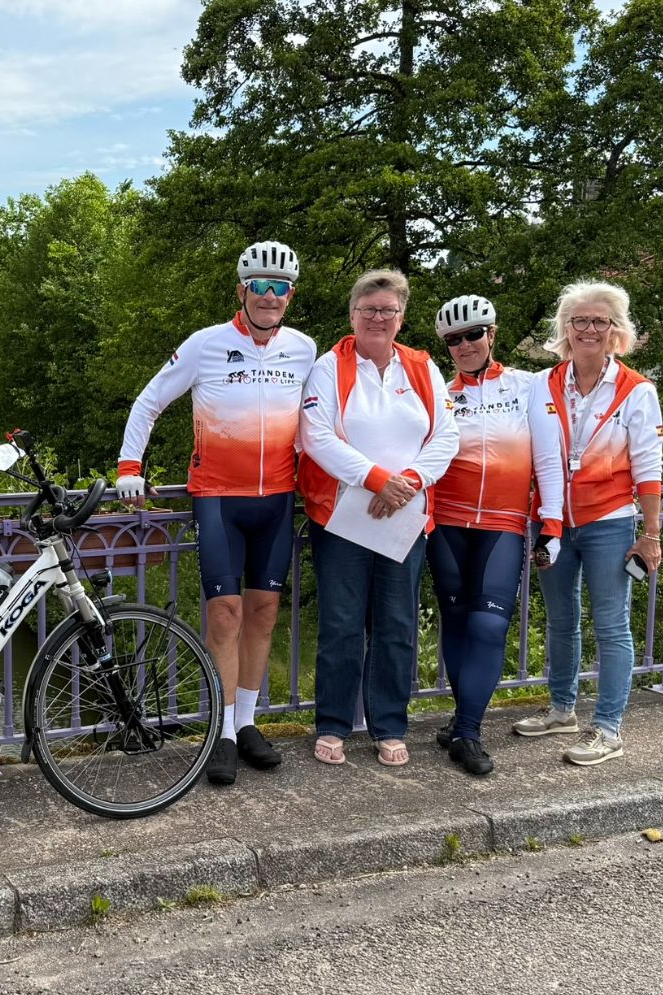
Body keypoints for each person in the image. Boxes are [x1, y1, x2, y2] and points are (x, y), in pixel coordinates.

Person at [116, 241, 317, 785]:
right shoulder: (206, 345)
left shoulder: (303, 349)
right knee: (224, 615)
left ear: (290, 296)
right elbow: (149, 401)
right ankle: (222, 731)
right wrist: (129, 466)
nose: (270, 297)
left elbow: (322, 421)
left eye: (280, 288)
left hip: (278, 498)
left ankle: (249, 724)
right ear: (242, 290)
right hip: (219, 499)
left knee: (263, 614)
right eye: (260, 286)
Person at [298, 269, 458, 767]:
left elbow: (447, 436)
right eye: (369, 309)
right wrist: (375, 480)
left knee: (396, 623)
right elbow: (315, 436)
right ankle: (333, 724)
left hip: (403, 517)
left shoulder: (422, 366)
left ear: (401, 317)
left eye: (387, 310)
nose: (378, 318)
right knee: (342, 623)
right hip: (342, 518)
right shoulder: (330, 366)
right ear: (352, 315)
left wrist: (406, 482)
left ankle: (389, 724)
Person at [521, 280, 663, 766]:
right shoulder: (541, 384)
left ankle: (607, 727)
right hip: (553, 522)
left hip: (610, 521)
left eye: (598, 321)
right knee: (560, 621)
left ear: (615, 331)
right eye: (578, 320)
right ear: (564, 328)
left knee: (611, 626)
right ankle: (562, 709)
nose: (587, 329)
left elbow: (648, 466)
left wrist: (650, 535)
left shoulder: (637, 390)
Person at [425, 295, 535, 777]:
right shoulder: (439, 395)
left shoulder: (528, 387)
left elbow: (550, 456)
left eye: (474, 334)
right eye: (454, 339)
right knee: (456, 622)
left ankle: (467, 731)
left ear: (492, 335)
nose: (465, 344)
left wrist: (549, 520)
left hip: (503, 525)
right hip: (447, 524)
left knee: (490, 626)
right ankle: (462, 722)